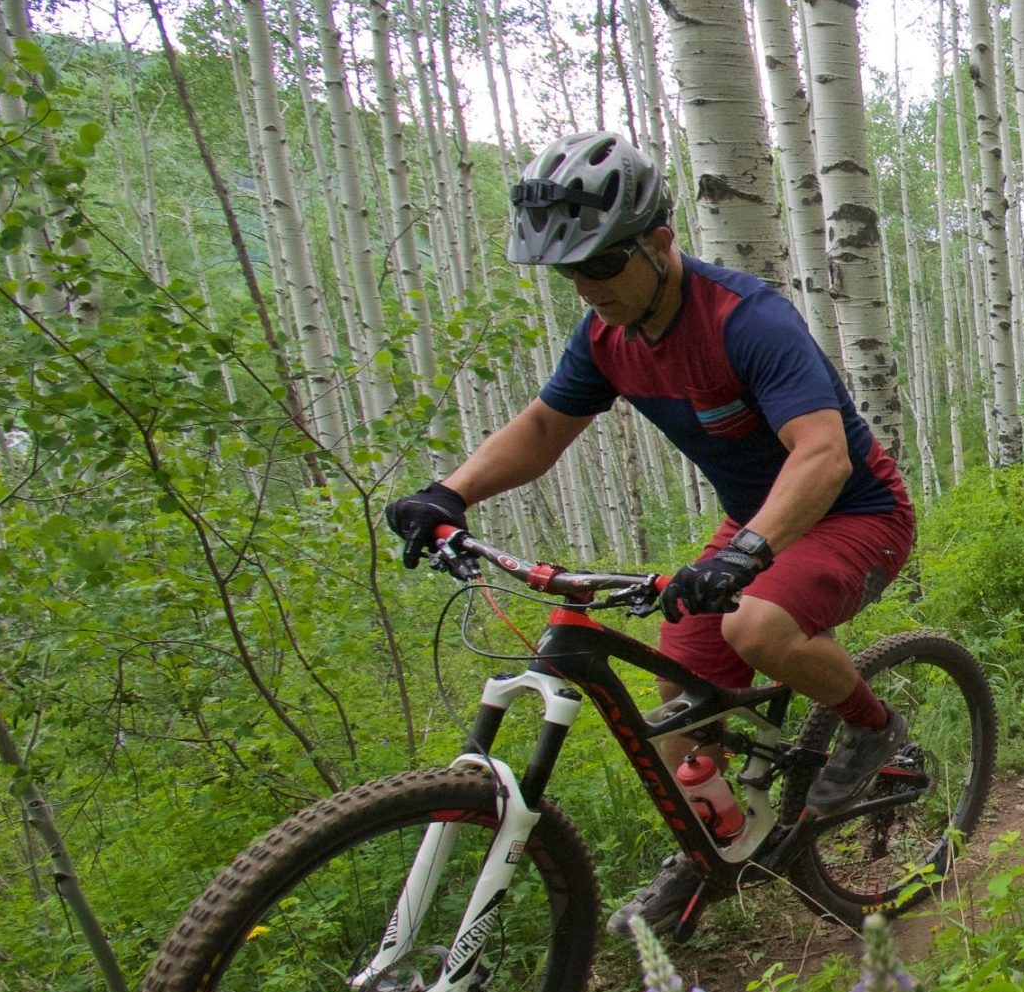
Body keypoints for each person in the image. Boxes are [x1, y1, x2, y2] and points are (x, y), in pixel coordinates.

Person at [384, 130, 914, 943]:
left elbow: (822, 454)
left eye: (599, 264)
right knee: (679, 683)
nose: (586, 287)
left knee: (755, 623)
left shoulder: (746, 319)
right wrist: (448, 491)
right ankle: (713, 848)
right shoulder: (608, 337)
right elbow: (541, 428)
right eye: (568, 272)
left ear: (660, 244)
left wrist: (746, 553)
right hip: (756, 526)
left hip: (855, 511)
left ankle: (872, 725)